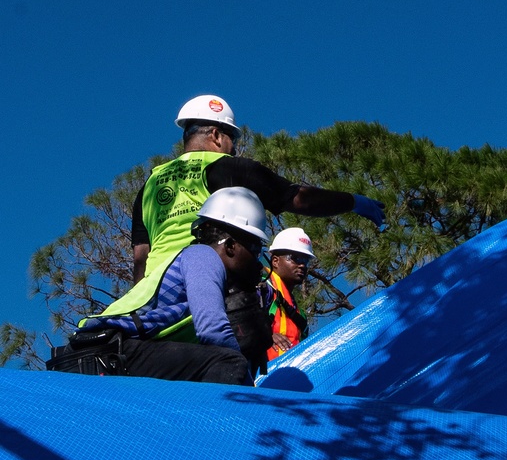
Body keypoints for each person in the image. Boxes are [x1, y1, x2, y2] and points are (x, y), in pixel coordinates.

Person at [125, 94, 384, 294]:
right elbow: (297, 198)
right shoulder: (228, 168)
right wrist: (353, 202)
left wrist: (141, 305)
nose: (234, 149)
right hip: (207, 288)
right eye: (231, 140)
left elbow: (141, 257)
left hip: (157, 294)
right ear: (216, 135)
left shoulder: (150, 184)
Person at [55, 187, 270, 385]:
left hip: (102, 351)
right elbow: (213, 331)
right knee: (230, 362)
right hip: (104, 353)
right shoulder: (204, 257)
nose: (257, 261)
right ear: (231, 245)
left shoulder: (198, 264)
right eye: (255, 249)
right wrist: (246, 380)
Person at [264, 227, 314, 361]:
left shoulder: (299, 313)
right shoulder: (261, 289)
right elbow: (237, 325)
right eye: (295, 258)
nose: (302, 265)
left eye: (305, 260)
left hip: (289, 376)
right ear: (275, 261)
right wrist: (265, 335)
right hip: (260, 376)